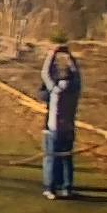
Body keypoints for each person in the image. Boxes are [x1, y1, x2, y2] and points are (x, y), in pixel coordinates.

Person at [41, 44, 81, 200]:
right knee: (66, 159)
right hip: (69, 129)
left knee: (51, 158)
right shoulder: (75, 89)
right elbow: (78, 75)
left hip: (54, 129)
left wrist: (52, 54)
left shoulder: (56, 91)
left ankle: (50, 188)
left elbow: (45, 73)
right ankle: (66, 187)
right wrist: (70, 58)